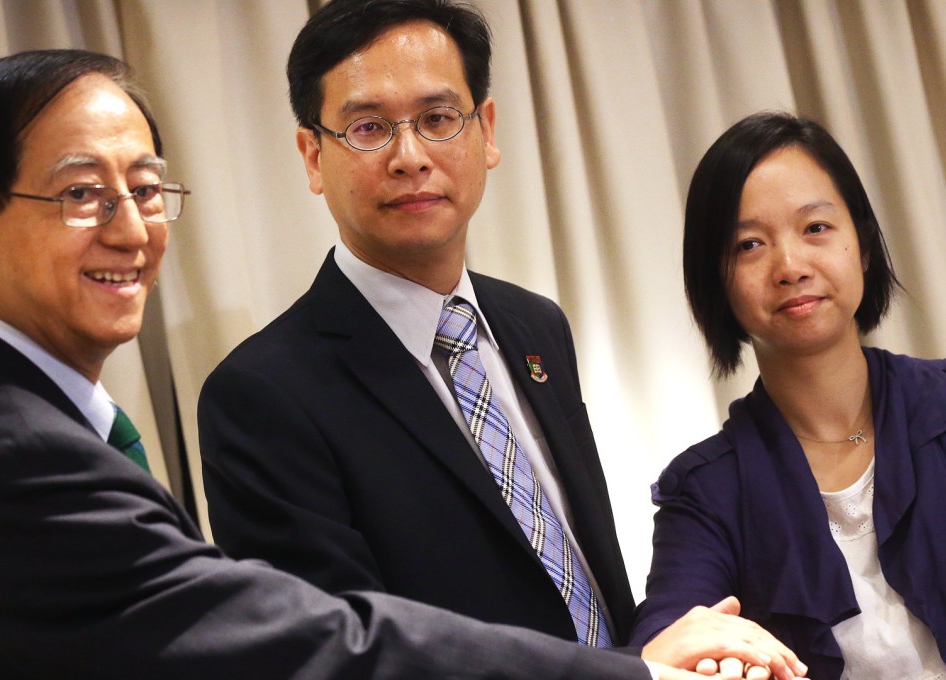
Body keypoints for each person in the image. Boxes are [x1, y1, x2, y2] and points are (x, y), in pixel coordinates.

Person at [0, 47, 715, 680]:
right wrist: (628, 675)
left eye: (145, 188)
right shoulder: (7, 450)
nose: (132, 229)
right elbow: (312, 640)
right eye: (84, 193)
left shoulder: (534, 323)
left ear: (486, 129)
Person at [197, 1, 806, 678]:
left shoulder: (535, 325)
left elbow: (587, 586)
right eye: (368, 128)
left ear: (485, 131)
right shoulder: (262, 395)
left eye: (437, 118)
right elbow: (343, 660)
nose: (410, 157)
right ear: (313, 156)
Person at [629, 110, 946, 679]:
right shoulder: (706, 493)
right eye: (749, 245)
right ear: (715, 283)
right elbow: (671, 638)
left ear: (864, 246)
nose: (790, 266)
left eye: (816, 228)